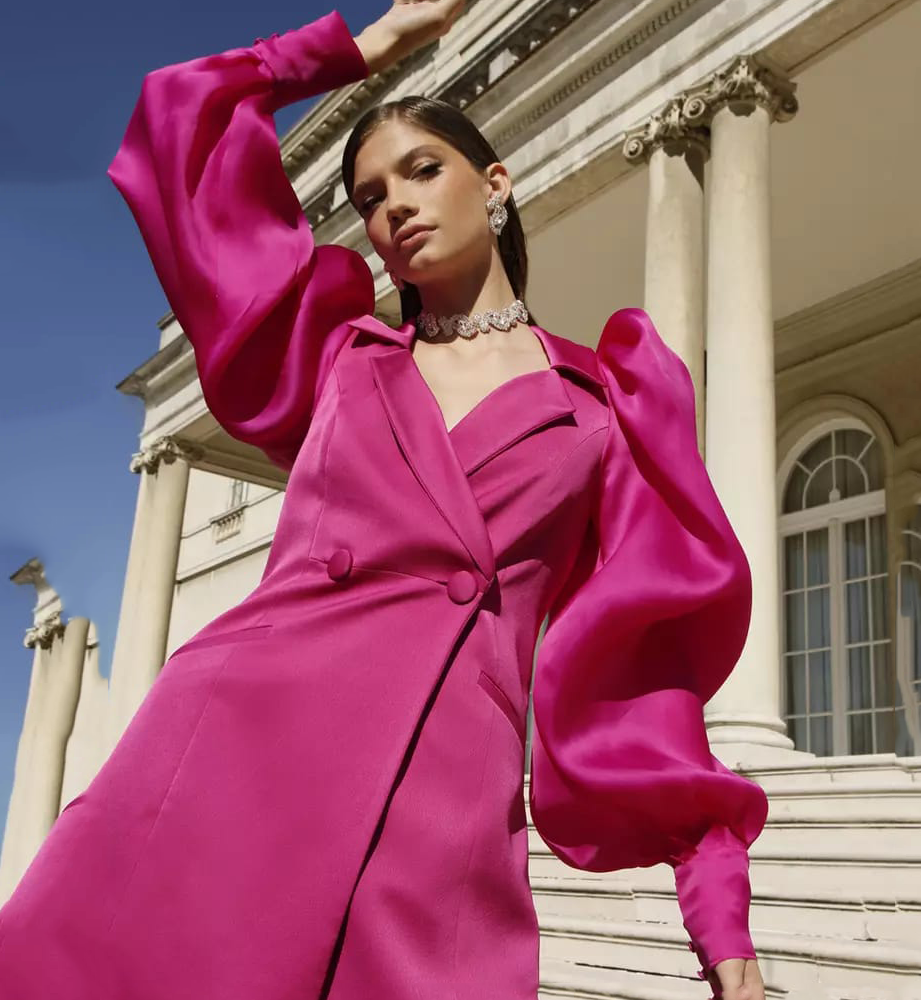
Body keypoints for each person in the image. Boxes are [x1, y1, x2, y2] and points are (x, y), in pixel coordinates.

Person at [0, 3, 768, 999]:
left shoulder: (605, 405)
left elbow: (648, 678)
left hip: (439, 799)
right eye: (369, 196)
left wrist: (719, 911)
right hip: (231, 752)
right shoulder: (332, 356)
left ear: (495, 184)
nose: (394, 206)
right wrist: (363, 48)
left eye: (421, 170)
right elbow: (178, 114)